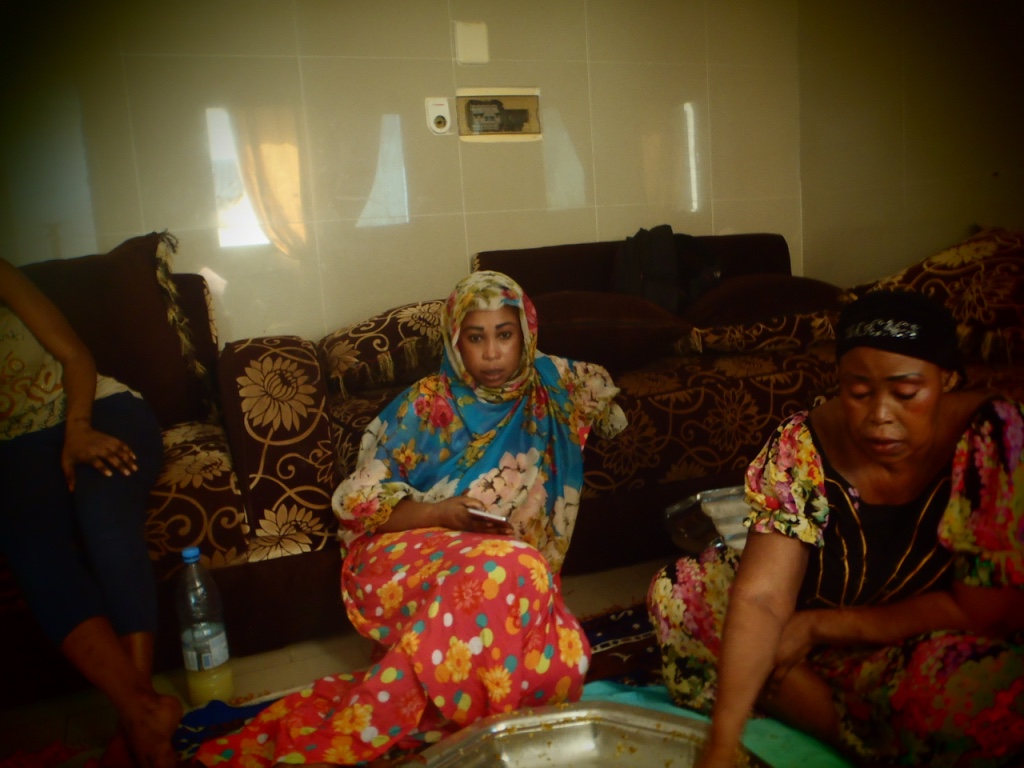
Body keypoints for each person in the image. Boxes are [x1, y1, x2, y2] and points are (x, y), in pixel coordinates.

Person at [196, 270, 626, 765]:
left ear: (526, 335)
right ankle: (465, 701)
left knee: (530, 590)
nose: (491, 354)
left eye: (505, 335)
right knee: (513, 568)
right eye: (476, 338)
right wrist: (441, 512)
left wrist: (589, 400)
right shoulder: (426, 404)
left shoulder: (549, 384)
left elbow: (607, 401)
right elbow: (356, 503)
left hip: (502, 558)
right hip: (408, 547)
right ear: (454, 341)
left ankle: (467, 689)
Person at [647, 289, 1024, 768]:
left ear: (946, 379)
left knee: (992, 690)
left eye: (907, 394)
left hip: (921, 639)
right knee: (682, 593)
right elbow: (762, 599)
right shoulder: (802, 443)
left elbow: (986, 612)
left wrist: (822, 626)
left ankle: (808, 702)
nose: (880, 415)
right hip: (806, 633)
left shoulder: (994, 436)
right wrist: (721, 745)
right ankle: (863, 726)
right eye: (858, 393)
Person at [0, 258, 181, 768]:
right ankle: (143, 712)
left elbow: (75, 355)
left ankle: (136, 717)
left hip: (97, 409)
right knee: (28, 542)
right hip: (15, 449)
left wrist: (78, 428)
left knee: (103, 511)